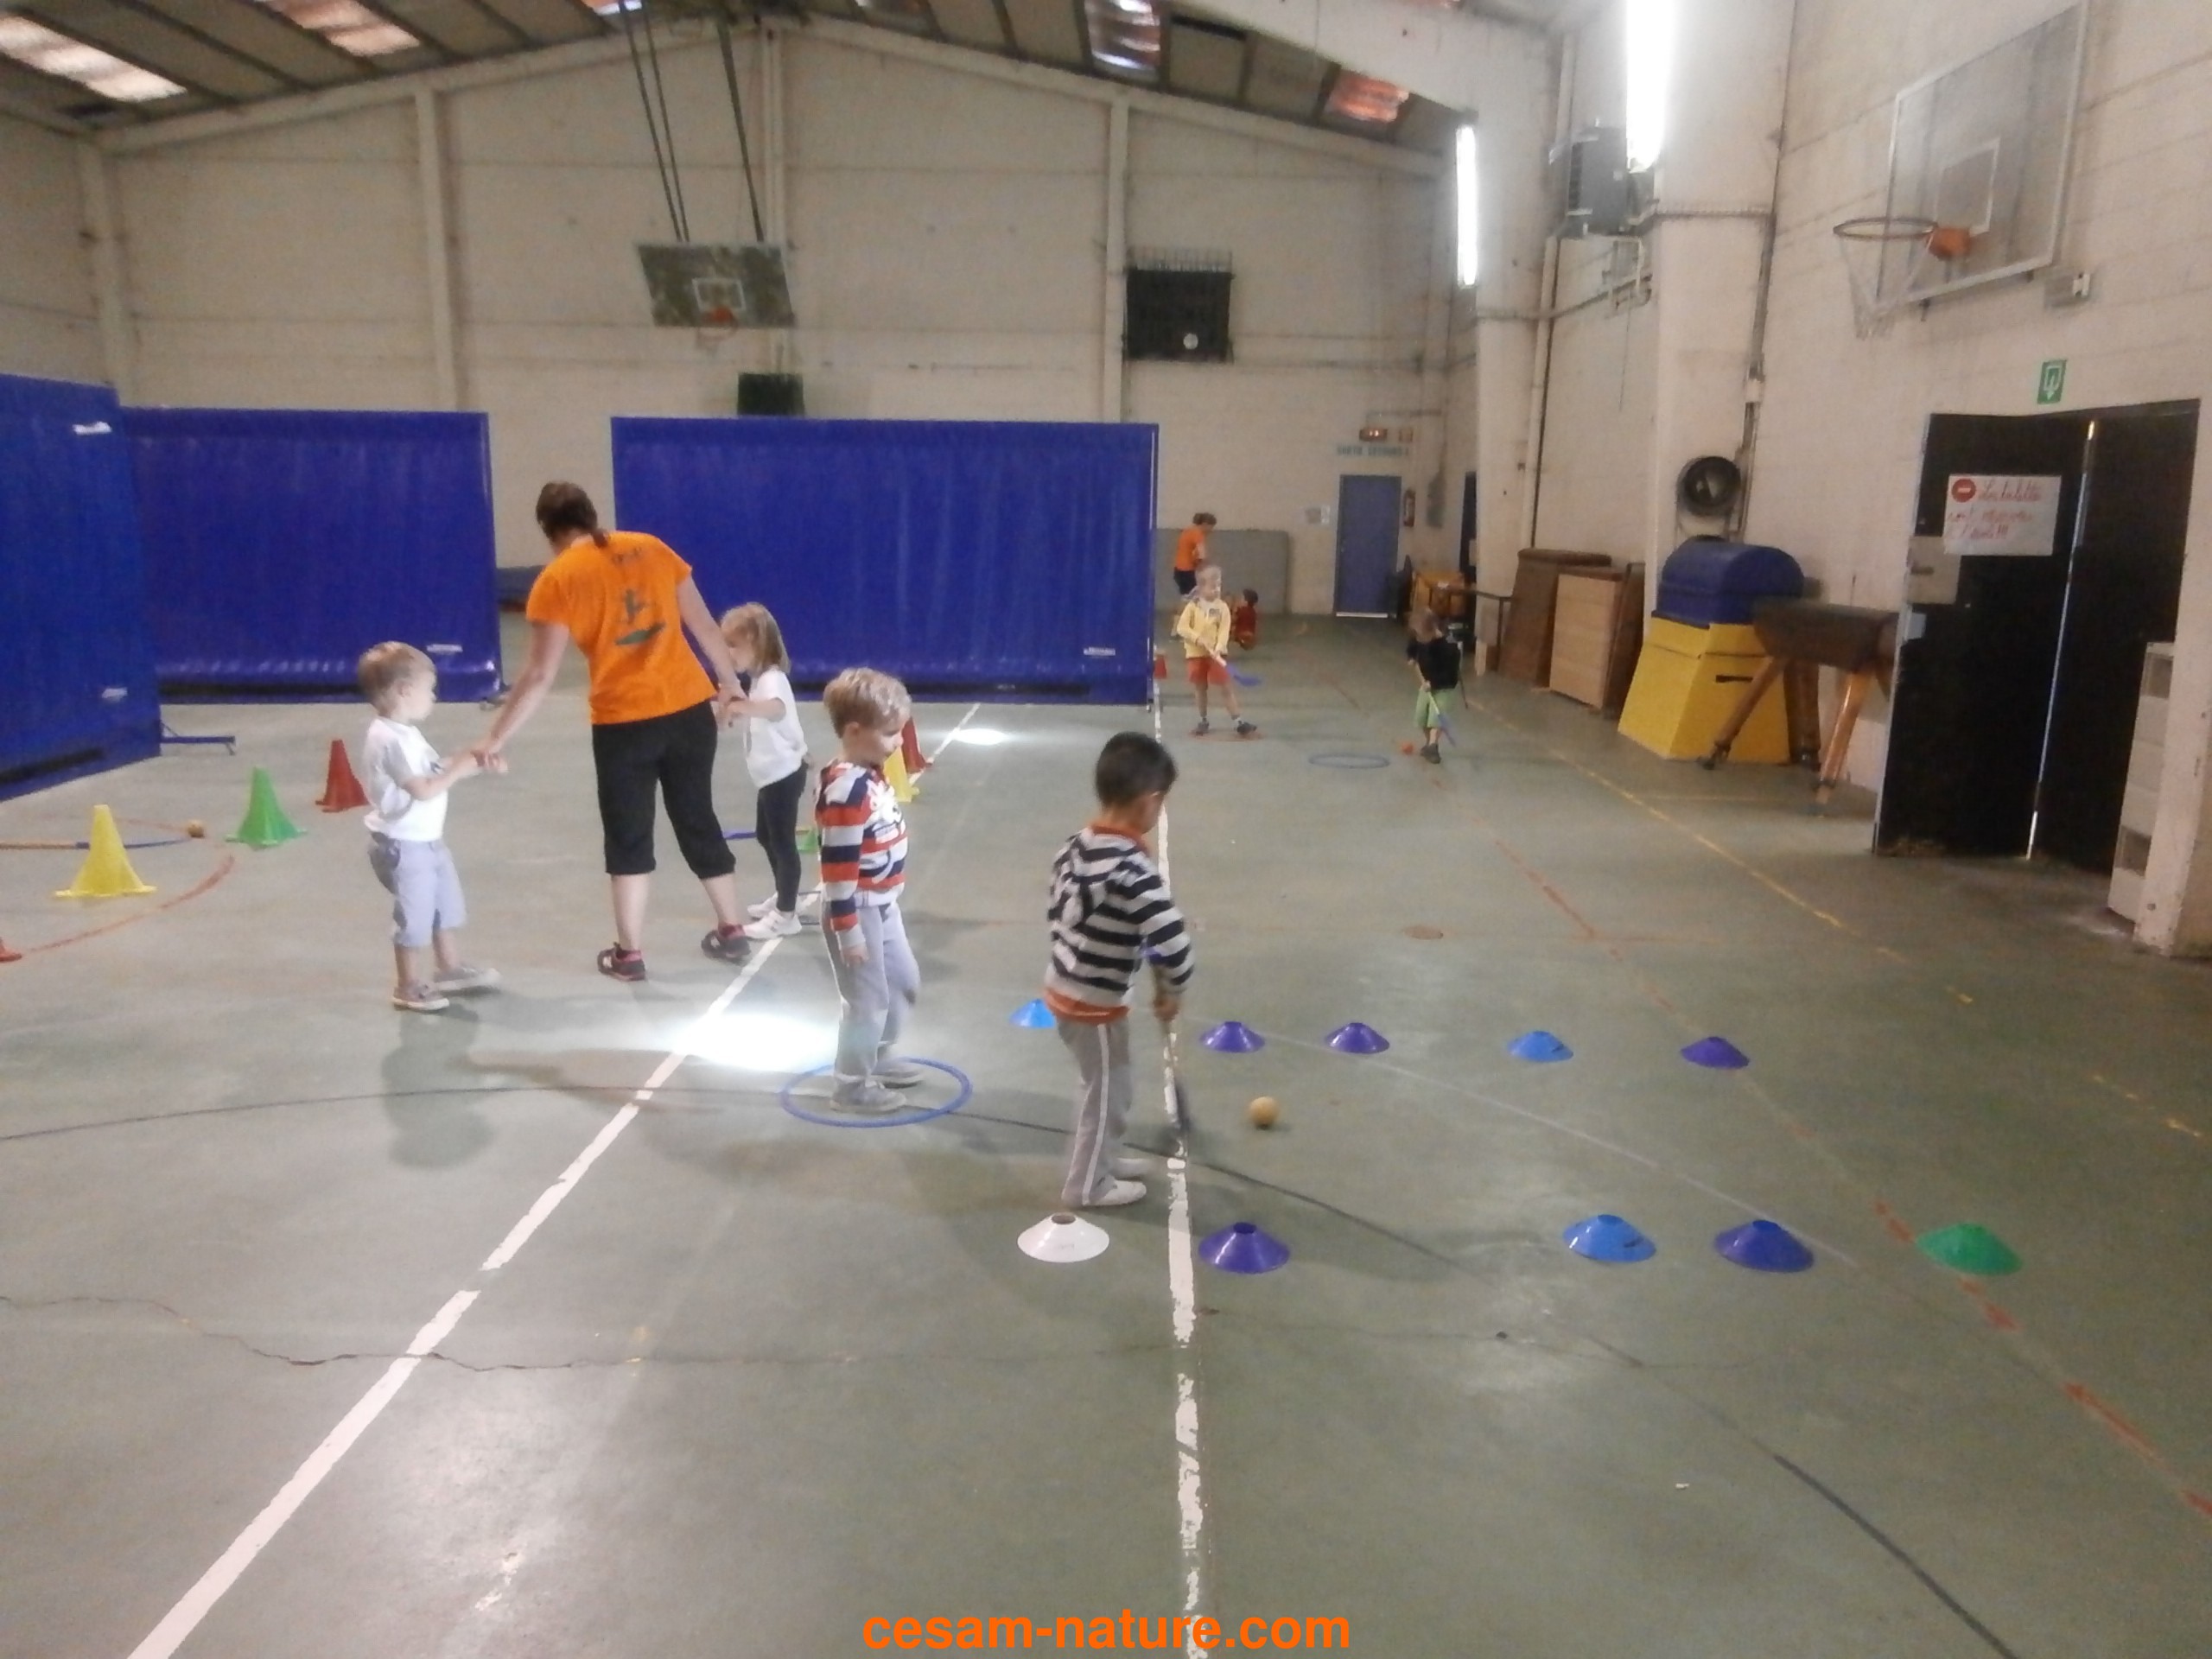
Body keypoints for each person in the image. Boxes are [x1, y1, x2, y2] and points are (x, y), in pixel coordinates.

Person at [476, 481, 751, 982]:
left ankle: (630, 954)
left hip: (624, 723)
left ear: (549, 531)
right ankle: (732, 929)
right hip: (689, 707)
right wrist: (730, 685)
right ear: (591, 514)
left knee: (629, 836)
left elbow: (539, 675)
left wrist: (496, 738)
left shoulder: (557, 579)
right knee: (697, 816)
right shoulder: (652, 548)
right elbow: (704, 627)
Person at [1045, 733, 1192, 1209]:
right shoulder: (1134, 870)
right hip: (1095, 1004)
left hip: (1064, 987)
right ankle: (1088, 1185)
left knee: (1109, 1084)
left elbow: (1068, 914)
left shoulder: (1074, 846)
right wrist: (1173, 989)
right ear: (1149, 802)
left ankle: (1102, 1159)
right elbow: (1175, 943)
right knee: (1107, 1094)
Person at [357, 641, 500, 1013]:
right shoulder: (388, 740)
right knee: (414, 916)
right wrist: (458, 771)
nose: (433, 697)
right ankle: (407, 985)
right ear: (405, 691)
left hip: (427, 841)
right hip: (402, 845)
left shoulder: (405, 733)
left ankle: (449, 968)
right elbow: (422, 789)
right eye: (429, 689)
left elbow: (435, 770)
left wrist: (473, 762)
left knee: (443, 905)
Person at [816, 668, 924, 1113]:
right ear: (854, 732)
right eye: (890, 734)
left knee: (903, 982)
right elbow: (838, 870)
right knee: (867, 1000)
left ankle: (875, 1054)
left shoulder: (870, 774)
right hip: (857, 909)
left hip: (882, 903)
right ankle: (850, 1084)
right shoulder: (847, 791)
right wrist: (849, 931)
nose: (898, 743)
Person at [720, 602, 813, 938]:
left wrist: (740, 707)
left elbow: (775, 710)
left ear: (756, 644)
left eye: (734, 646)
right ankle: (785, 894)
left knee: (782, 842)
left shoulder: (773, 680)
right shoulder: (758, 680)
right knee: (766, 834)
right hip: (770, 776)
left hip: (782, 775)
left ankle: (786, 914)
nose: (729, 653)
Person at [1173, 563, 1256, 738]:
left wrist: (1219, 648)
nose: (1217, 590)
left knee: (1226, 687)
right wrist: (1198, 639)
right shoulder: (1193, 607)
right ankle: (1203, 720)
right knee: (1200, 688)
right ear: (1201, 587)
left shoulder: (1222, 608)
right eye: (1213, 587)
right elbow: (1182, 628)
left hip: (1216, 655)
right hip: (1195, 655)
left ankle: (1239, 722)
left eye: (1219, 585)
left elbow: (1224, 631)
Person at [1406, 607, 1463, 764]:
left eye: (1421, 636)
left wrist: (1433, 683)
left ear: (1432, 630)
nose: (1418, 639)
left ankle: (1433, 745)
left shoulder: (1448, 648)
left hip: (1444, 687)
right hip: (1426, 684)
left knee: (1436, 718)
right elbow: (1413, 646)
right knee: (1422, 717)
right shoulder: (1419, 638)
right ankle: (1429, 744)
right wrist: (1411, 657)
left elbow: (1451, 675)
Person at [1172, 512, 1216, 599]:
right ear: (1205, 524)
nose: (1211, 531)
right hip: (1187, 571)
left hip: (1178, 570)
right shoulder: (1198, 534)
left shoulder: (1187, 531)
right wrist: (1205, 568)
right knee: (1195, 598)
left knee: (1185, 597)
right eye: (1211, 527)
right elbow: (1202, 554)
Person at [1230, 586, 1260, 652]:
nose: (1239, 600)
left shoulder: (1241, 610)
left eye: (1241, 598)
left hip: (1240, 636)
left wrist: (1233, 611)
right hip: (1251, 636)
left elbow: (1233, 621)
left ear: (1246, 602)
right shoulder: (1253, 611)